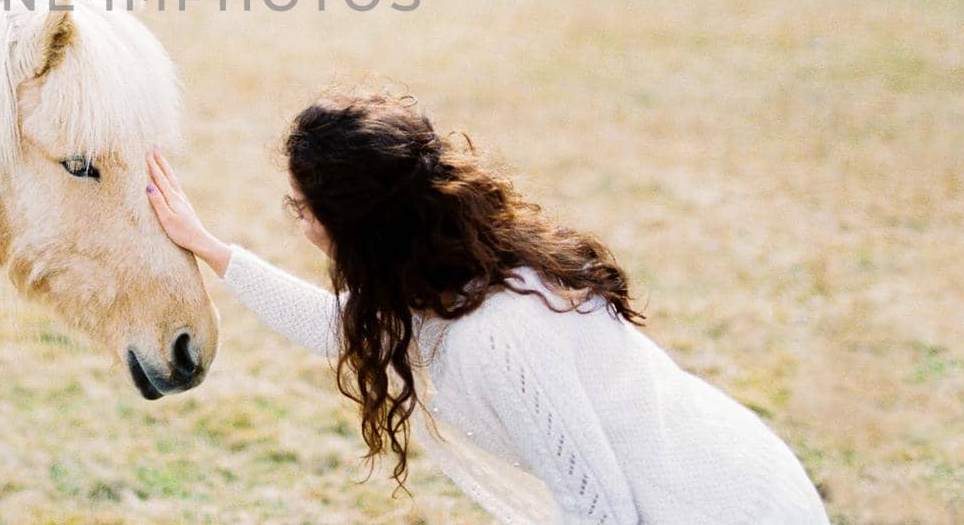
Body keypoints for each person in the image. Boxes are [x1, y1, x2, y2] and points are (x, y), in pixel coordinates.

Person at [145, 88, 830, 525]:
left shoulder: (495, 334)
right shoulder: (453, 272)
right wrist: (208, 246)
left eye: (304, 207)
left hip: (726, 504)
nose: (298, 222)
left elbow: (597, 510)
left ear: (360, 226)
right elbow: (338, 324)